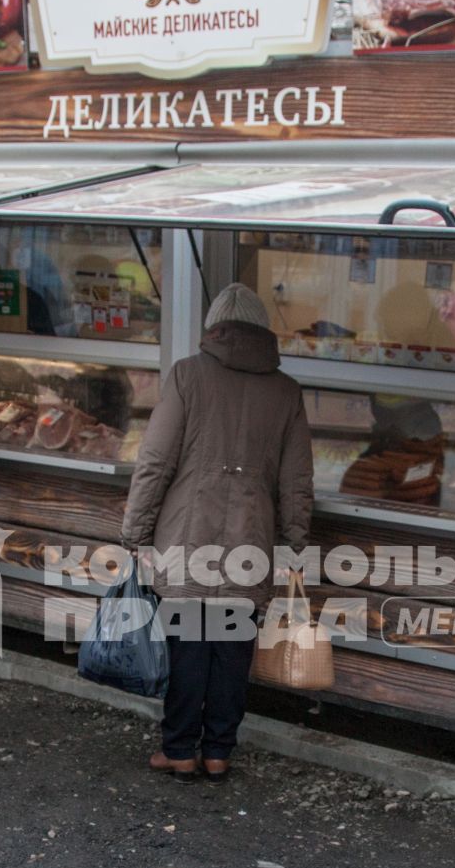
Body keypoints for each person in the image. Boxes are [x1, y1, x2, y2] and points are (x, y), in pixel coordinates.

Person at [121, 283, 313, 784]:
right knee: (231, 651)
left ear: (214, 330)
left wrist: (136, 530)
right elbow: (297, 477)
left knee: (188, 646)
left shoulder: (188, 375)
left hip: (188, 538)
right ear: (263, 333)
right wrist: (295, 536)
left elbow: (155, 461)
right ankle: (218, 752)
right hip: (250, 542)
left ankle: (180, 750)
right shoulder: (286, 391)